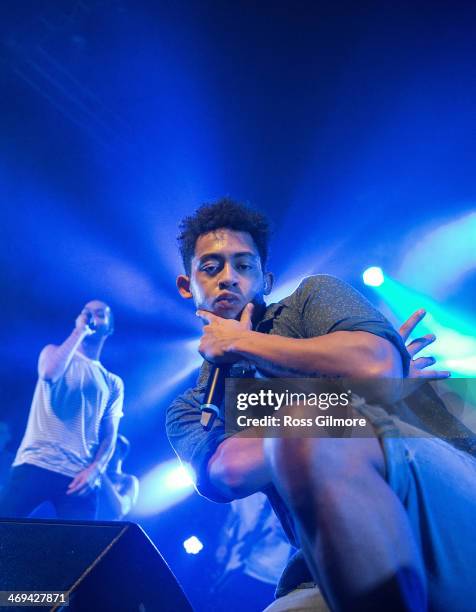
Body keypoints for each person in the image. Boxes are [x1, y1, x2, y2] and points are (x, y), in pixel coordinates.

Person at [167, 198, 476, 611]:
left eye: (244, 266)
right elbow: (232, 472)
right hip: (333, 562)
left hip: (440, 498)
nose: (228, 278)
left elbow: (373, 363)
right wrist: (363, 397)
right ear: (187, 284)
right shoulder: (190, 407)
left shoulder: (311, 300)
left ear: (266, 279)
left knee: (301, 432)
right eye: (211, 266)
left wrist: (241, 340)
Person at [0, 300, 123, 521]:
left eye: (100, 314)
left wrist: (96, 468)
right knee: (6, 532)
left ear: (110, 327)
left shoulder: (113, 382)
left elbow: (109, 434)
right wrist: (79, 331)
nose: (92, 317)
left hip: (78, 477)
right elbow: (49, 373)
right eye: (86, 313)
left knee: (81, 551)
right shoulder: (53, 352)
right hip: (35, 462)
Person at [210, 491, 293, 611]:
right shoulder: (244, 490)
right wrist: (223, 546)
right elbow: (228, 523)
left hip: (267, 575)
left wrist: (285, 531)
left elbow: (299, 539)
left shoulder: (286, 494)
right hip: (239, 567)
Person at [96, 433, 139, 520]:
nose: (108, 454)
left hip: (111, 530)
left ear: (122, 454)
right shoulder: (95, 475)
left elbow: (121, 509)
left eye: (113, 450)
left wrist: (102, 473)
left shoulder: (128, 480)